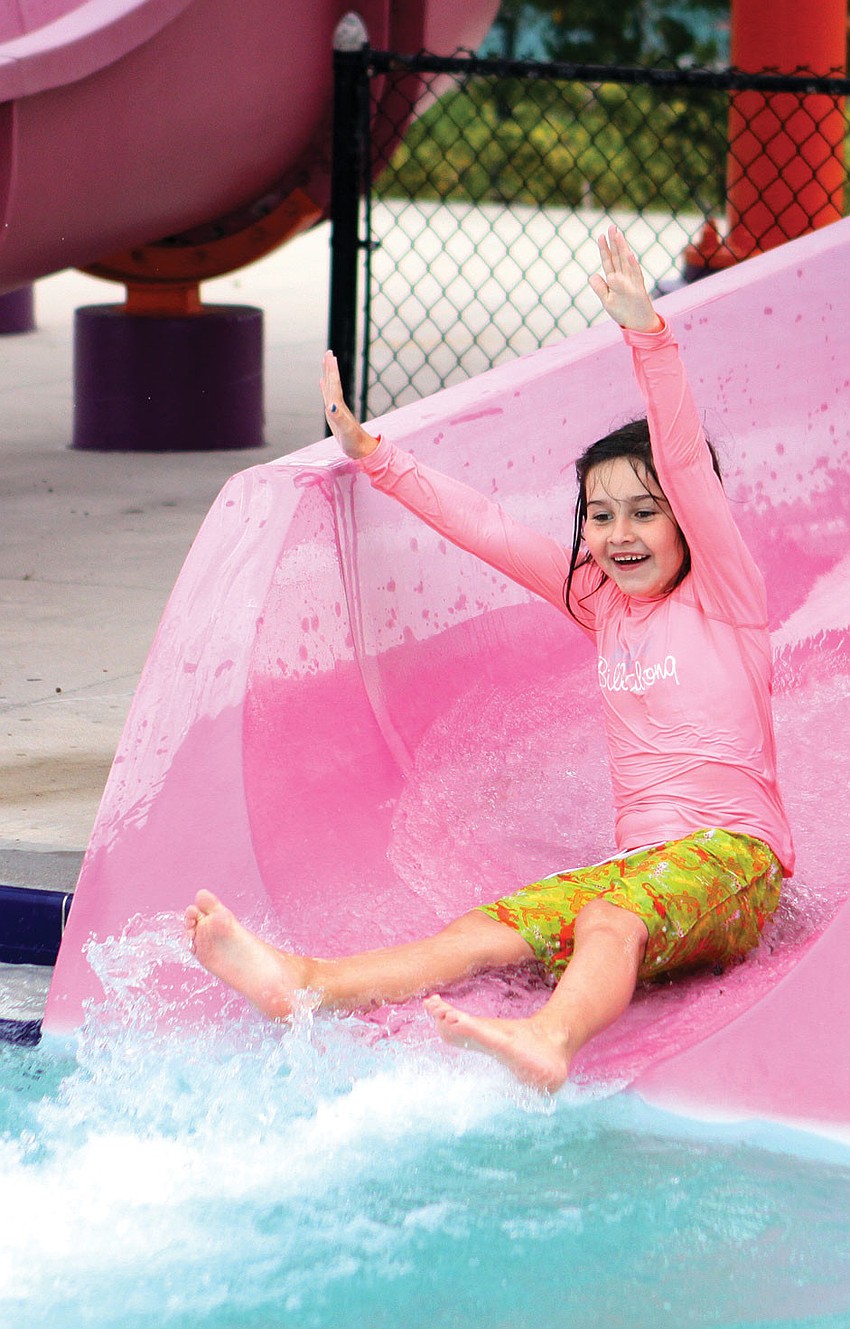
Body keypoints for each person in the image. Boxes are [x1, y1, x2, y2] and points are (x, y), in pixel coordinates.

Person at [185, 226, 793, 1093]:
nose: (619, 534)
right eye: (601, 514)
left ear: (690, 520)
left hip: (732, 861)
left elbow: (687, 459)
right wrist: (378, 459)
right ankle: (306, 983)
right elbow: (493, 531)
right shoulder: (602, 605)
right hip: (640, 866)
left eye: (645, 512)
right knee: (487, 930)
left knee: (611, 921)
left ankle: (550, 1038)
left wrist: (647, 338)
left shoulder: (725, 594)